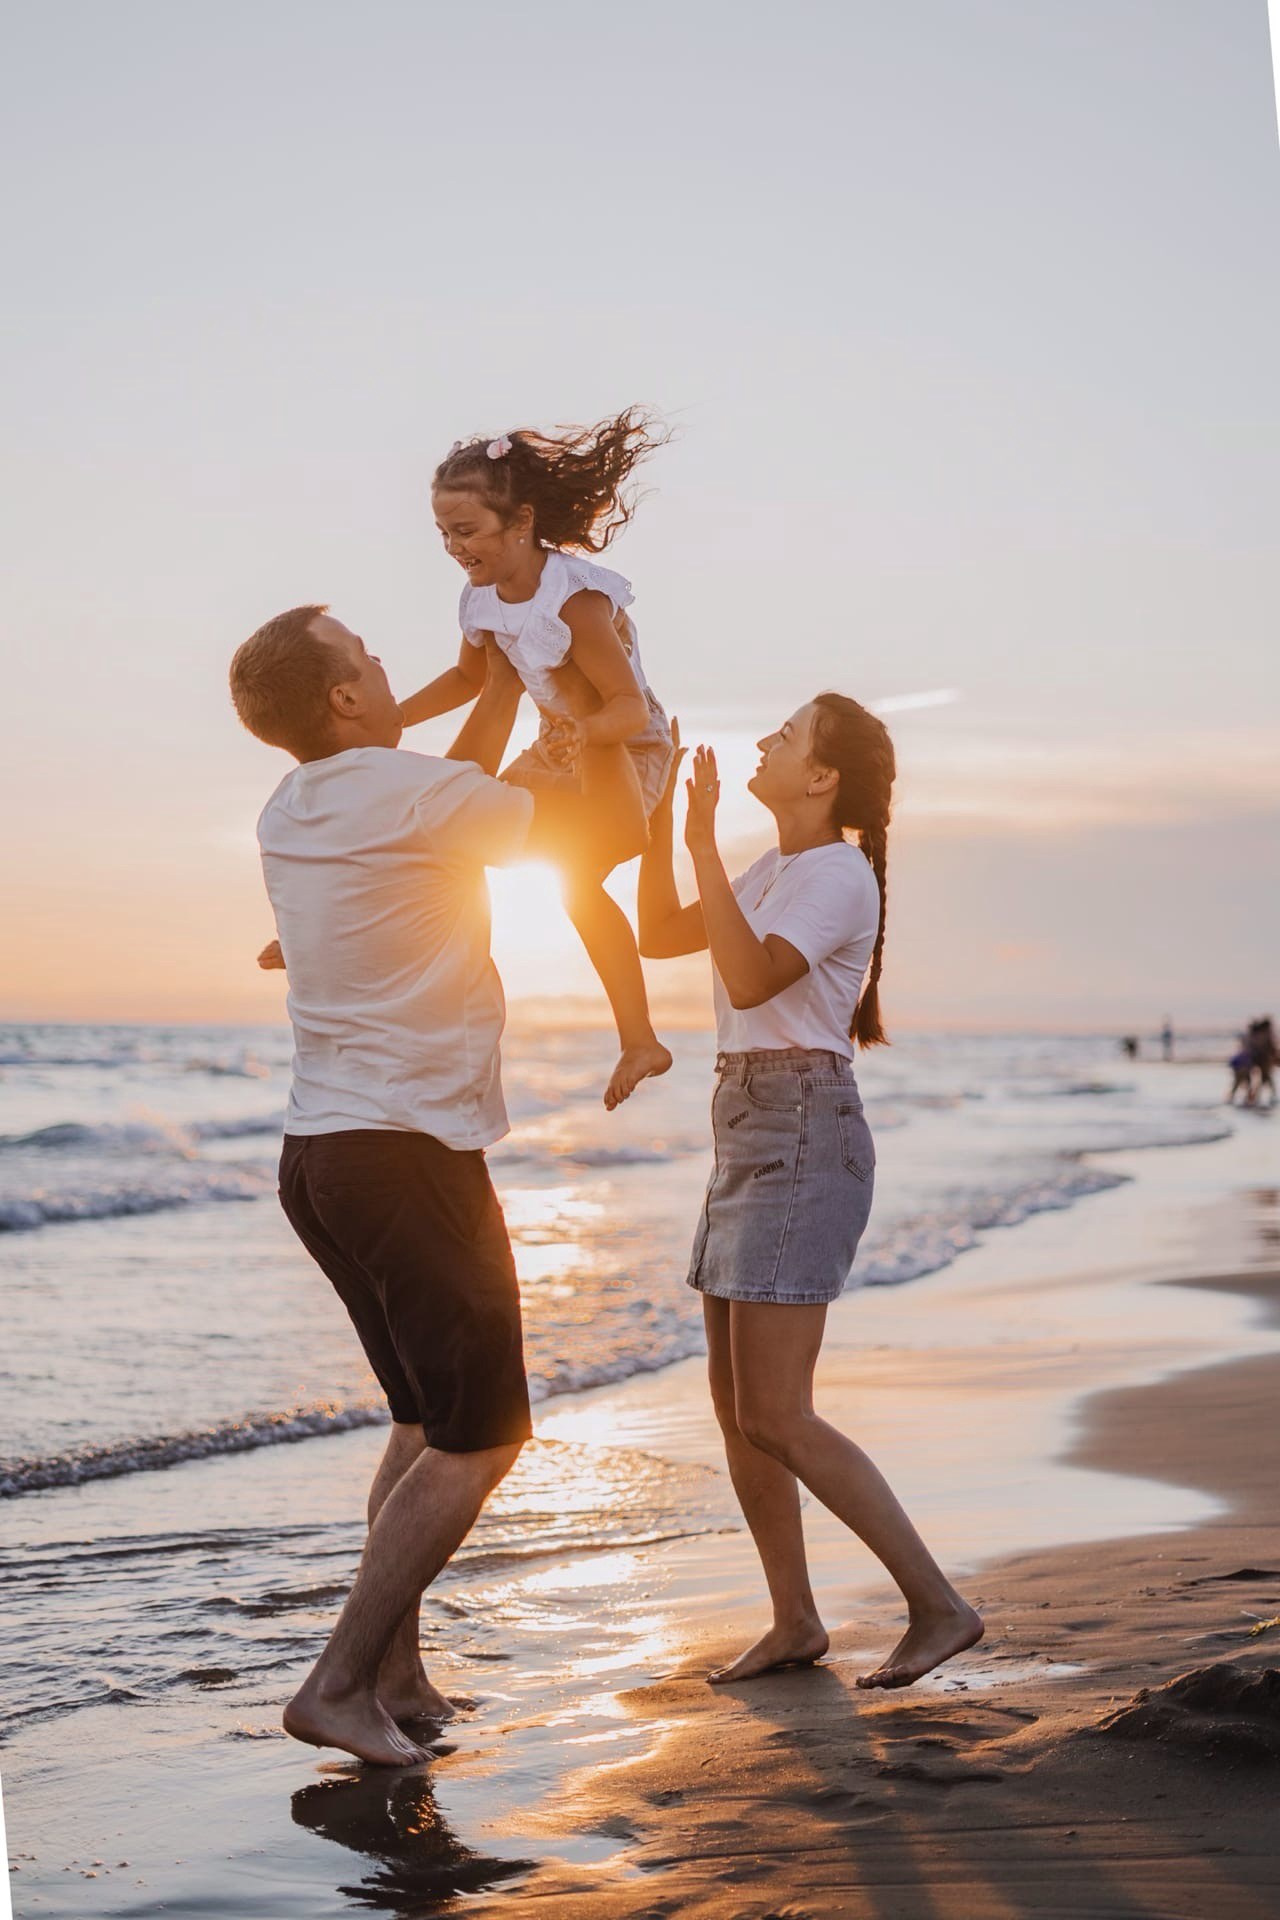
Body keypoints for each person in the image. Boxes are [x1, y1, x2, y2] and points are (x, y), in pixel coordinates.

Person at [230, 604, 611, 1767]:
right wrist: (596, 713)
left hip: (324, 1162)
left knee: (418, 1420)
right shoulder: (406, 793)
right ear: (346, 698)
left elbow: (445, 785)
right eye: (370, 657)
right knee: (483, 1436)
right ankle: (337, 1682)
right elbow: (574, 829)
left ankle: (394, 1671)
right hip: (405, 1157)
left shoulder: (301, 801)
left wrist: (488, 687)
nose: (391, 667)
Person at [638, 699, 983, 1690]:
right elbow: (665, 928)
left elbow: (747, 981)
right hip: (747, 1122)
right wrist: (668, 824)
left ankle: (937, 1606)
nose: (760, 745)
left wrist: (702, 839)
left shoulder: (831, 872)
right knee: (734, 1404)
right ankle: (793, 1618)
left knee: (777, 1411)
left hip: (796, 1126)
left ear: (821, 778)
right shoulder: (777, 866)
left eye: (783, 737)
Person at [397, 410, 675, 1111]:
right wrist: (393, 719)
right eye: (443, 535)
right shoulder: (478, 599)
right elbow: (466, 681)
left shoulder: (575, 601)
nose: (454, 548)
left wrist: (588, 737)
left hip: (625, 746)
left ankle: (640, 1038)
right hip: (556, 744)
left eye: (466, 532)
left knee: (577, 883)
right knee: (452, 829)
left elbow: (627, 707)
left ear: (519, 522)